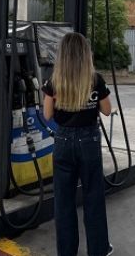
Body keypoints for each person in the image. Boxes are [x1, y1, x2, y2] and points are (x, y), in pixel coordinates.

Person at [43, 32, 114, 256]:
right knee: (93, 197)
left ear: (62, 55)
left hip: (63, 141)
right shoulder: (95, 80)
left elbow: (47, 114)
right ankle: (98, 250)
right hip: (89, 141)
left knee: (63, 202)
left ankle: (66, 252)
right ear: (86, 54)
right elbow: (107, 110)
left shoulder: (54, 81)